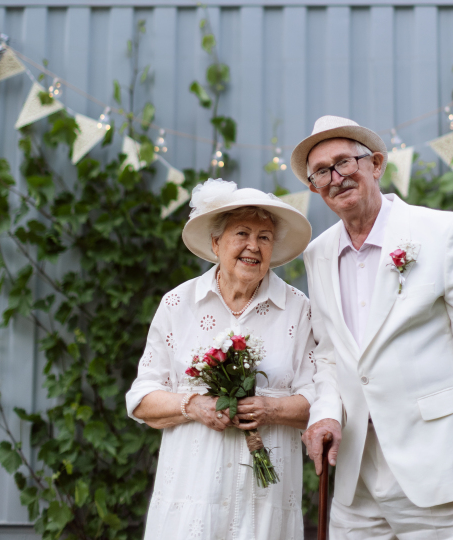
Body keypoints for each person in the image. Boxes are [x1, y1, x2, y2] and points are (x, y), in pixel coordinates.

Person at [290, 115, 453, 540]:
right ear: (315, 188)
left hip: (439, 472)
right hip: (355, 478)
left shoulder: (444, 232)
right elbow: (329, 354)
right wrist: (324, 415)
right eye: (321, 172)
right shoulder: (317, 254)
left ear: (375, 164)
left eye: (345, 163)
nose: (336, 178)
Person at [126, 179, 315, 540]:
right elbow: (142, 397)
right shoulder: (177, 304)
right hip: (190, 494)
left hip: (265, 499)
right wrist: (194, 405)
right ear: (215, 243)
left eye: (264, 237)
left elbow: (317, 400)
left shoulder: (298, 310)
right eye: (241, 233)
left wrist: (269, 410)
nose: (253, 246)